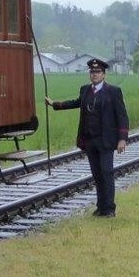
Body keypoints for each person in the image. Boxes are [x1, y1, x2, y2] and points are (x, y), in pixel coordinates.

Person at [45, 57, 129, 217]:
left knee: (106, 172)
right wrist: (55, 104)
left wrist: (122, 138)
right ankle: (101, 207)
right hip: (90, 140)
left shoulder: (113, 91)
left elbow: (122, 116)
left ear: (104, 75)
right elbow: (76, 103)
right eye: (92, 72)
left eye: (97, 72)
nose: (94, 74)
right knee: (97, 174)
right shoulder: (85, 90)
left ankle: (109, 208)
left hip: (105, 141)